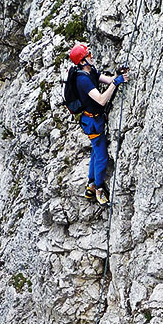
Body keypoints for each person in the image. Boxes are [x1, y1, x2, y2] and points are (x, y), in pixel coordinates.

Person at [64, 43, 129, 206]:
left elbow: (107, 80)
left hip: (94, 119)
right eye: (88, 55)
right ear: (82, 61)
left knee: (95, 150)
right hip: (91, 121)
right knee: (101, 156)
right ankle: (99, 189)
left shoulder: (90, 71)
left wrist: (117, 76)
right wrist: (116, 83)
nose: (91, 57)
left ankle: (91, 184)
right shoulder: (82, 80)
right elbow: (101, 99)